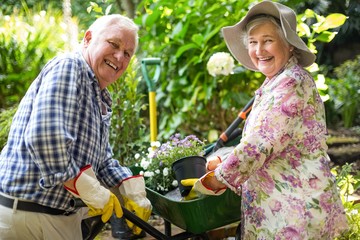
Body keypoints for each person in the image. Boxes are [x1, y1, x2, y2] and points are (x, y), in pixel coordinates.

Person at [182, 1, 349, 239]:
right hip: (279, 210)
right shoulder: (275, 81)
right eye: (253, 42)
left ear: (289, 46)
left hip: (295, 215)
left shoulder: (292, 82)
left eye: (268, 40)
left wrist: (216, 180)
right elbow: (267, 140)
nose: (259, 50)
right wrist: (223, 158)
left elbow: (261, 143)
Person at [0, 14, 151, 239]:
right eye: (114, 44)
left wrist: (129, 187)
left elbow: (102, 159)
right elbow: (45, 137)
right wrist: (88, 188)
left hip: (52, 216)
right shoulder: (71, 67)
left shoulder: (99, 94)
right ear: (88, 38)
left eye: (127, 53)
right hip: (32, 217)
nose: (120, 56)